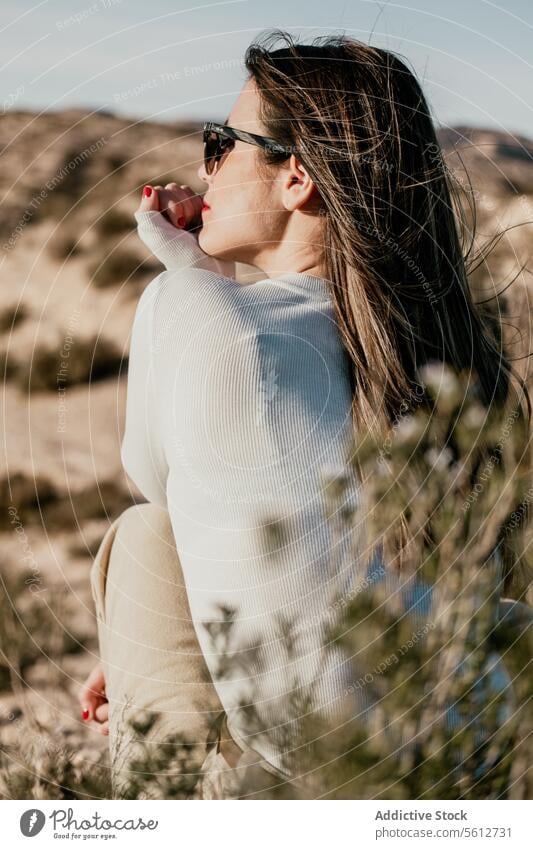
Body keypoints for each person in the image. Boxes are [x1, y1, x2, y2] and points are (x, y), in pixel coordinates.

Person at [79, 29, 531, 799]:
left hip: (321, 778)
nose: (202, 169)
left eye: (222, 144)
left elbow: (159, 478)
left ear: (298, 178)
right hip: (473, 760)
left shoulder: (198, 312)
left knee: (147, 535)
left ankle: (162, 809)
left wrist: (192, 270)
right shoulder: (430, 349)